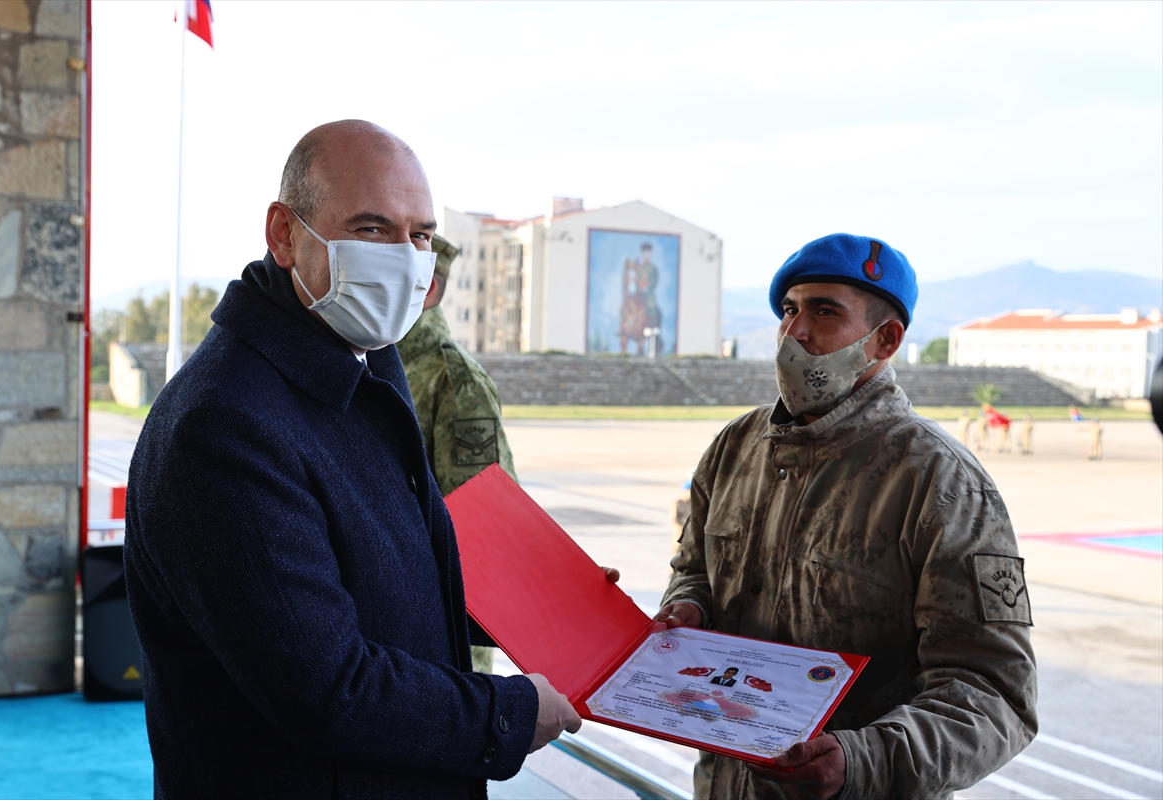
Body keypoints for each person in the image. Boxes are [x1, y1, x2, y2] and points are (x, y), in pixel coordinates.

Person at [123, 120, 581, 799]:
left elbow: (379, 578)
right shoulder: (225, 424)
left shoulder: (358, 359)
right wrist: (509, 714)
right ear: (285, 234)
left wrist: (541, 606)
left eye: (420, 235)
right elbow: (325, 685)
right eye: (371, 229)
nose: (403, 259)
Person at [654, 233, 1036, 799]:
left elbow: (995, 695)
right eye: (790, 309)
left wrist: (861, 760)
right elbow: (695, 571)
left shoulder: (940, 481)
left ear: (885, 340)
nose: (795, 332)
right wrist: (686, 608)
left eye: (824, 311)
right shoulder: (735, 449)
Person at [396, 233, 518, 673]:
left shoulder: (454, 380)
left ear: (427, 287)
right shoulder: (371, 361)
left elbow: (485, 525)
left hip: (440, 654)